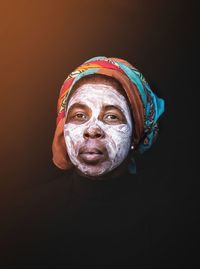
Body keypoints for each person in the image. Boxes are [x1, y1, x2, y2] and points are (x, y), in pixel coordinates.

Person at [2, 56, 168, 268]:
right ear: (63, 129)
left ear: (135, 135)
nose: (92, 130)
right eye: (80, 115)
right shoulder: (24, 216)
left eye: (111, 116)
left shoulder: (166, 222)